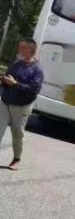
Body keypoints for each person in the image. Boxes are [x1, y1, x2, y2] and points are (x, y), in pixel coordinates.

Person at [0, 39, 44, 170]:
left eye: (21, 48)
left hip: (21, 106)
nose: (18, 49)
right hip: (5, 102)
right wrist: (3, 80)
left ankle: (16, 159)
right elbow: (7, 78)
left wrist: (16, 84)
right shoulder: (16, 63)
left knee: (17, 134)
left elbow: (33, 90)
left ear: (29, 50)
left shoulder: (37, 70)